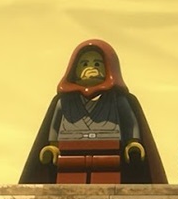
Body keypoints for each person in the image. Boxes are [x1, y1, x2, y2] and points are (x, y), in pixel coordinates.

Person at [19, 39, 166, 184]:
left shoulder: (117, 100)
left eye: (97, 64)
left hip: (109, 148)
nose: (90, 69)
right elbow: (55, 126)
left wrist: (132, 142)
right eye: (84, 64)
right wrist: (53, 145)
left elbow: (130, 122)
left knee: (107, 175)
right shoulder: (64, 102)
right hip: (70, 149)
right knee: (70, 176)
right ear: (74, 69)